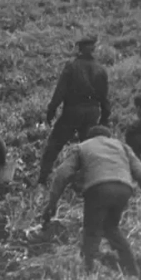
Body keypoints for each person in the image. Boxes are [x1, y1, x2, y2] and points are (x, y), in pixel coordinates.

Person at [37, 126, 141, 277]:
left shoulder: (82, 147)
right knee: (111, 227)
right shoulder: (122, 146)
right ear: (108, 137)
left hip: (98, 188)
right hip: (124, 189)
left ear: (90, 138)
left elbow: (62, 173)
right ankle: (132, 271)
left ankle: (87, 275)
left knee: (91, 232)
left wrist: (51, 204)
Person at [37, 36, 110, 186]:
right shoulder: (101, 69)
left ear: (80, 49)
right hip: (92, 112)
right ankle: (91, 181)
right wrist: (104, 118)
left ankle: (42, 179)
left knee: (54, 144)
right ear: (93, 49)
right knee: (89, 148)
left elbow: (60, 91)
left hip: (73, 111)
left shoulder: (71, 66)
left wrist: (51, 110)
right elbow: (104, 97)